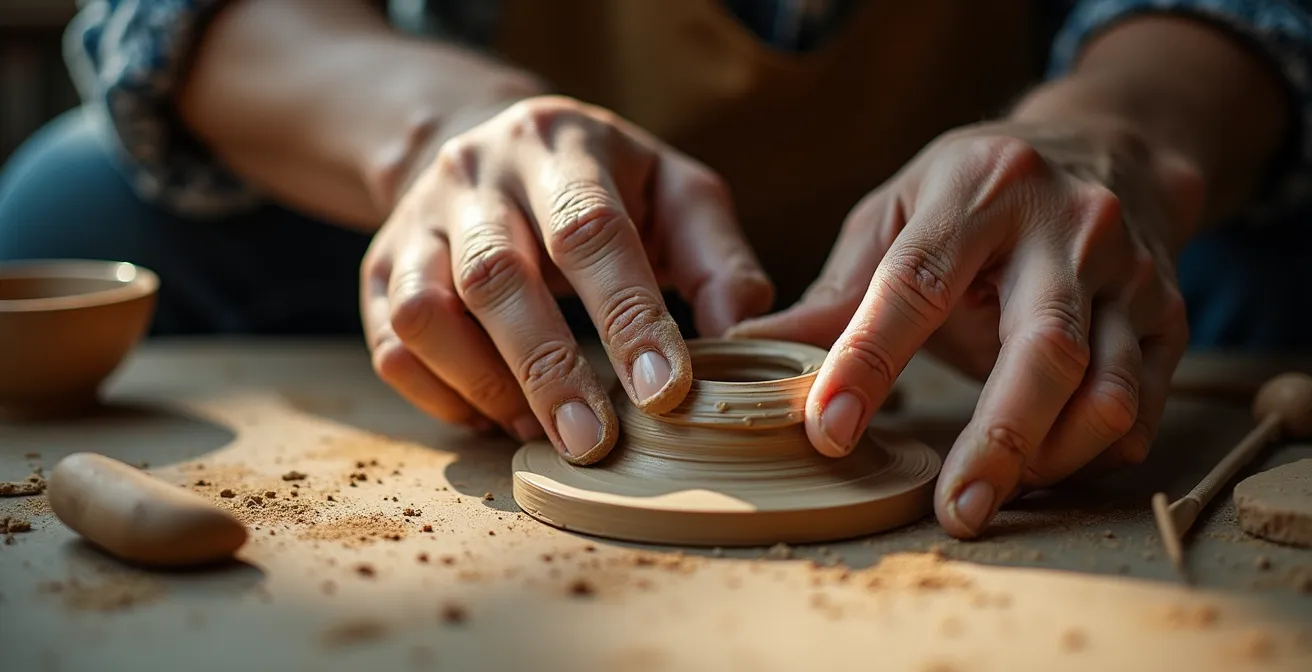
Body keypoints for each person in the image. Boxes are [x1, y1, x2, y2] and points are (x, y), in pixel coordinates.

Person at [1, 0, 1310, 539]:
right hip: (533, 243)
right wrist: (433, 127)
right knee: (66, 199)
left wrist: (1116, 141)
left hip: (984, 268)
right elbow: (159, 19)